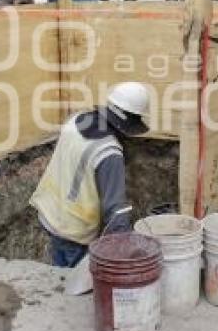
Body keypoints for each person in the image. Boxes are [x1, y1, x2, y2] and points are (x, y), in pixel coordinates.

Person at [29, 82, 151, 267]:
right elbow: (116, 213)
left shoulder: (76, 119)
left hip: (50, 211)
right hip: (74, 229)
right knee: (76, 286)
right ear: (130, 122)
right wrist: (124, 254)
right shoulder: (109, 152)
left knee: (60, 275)